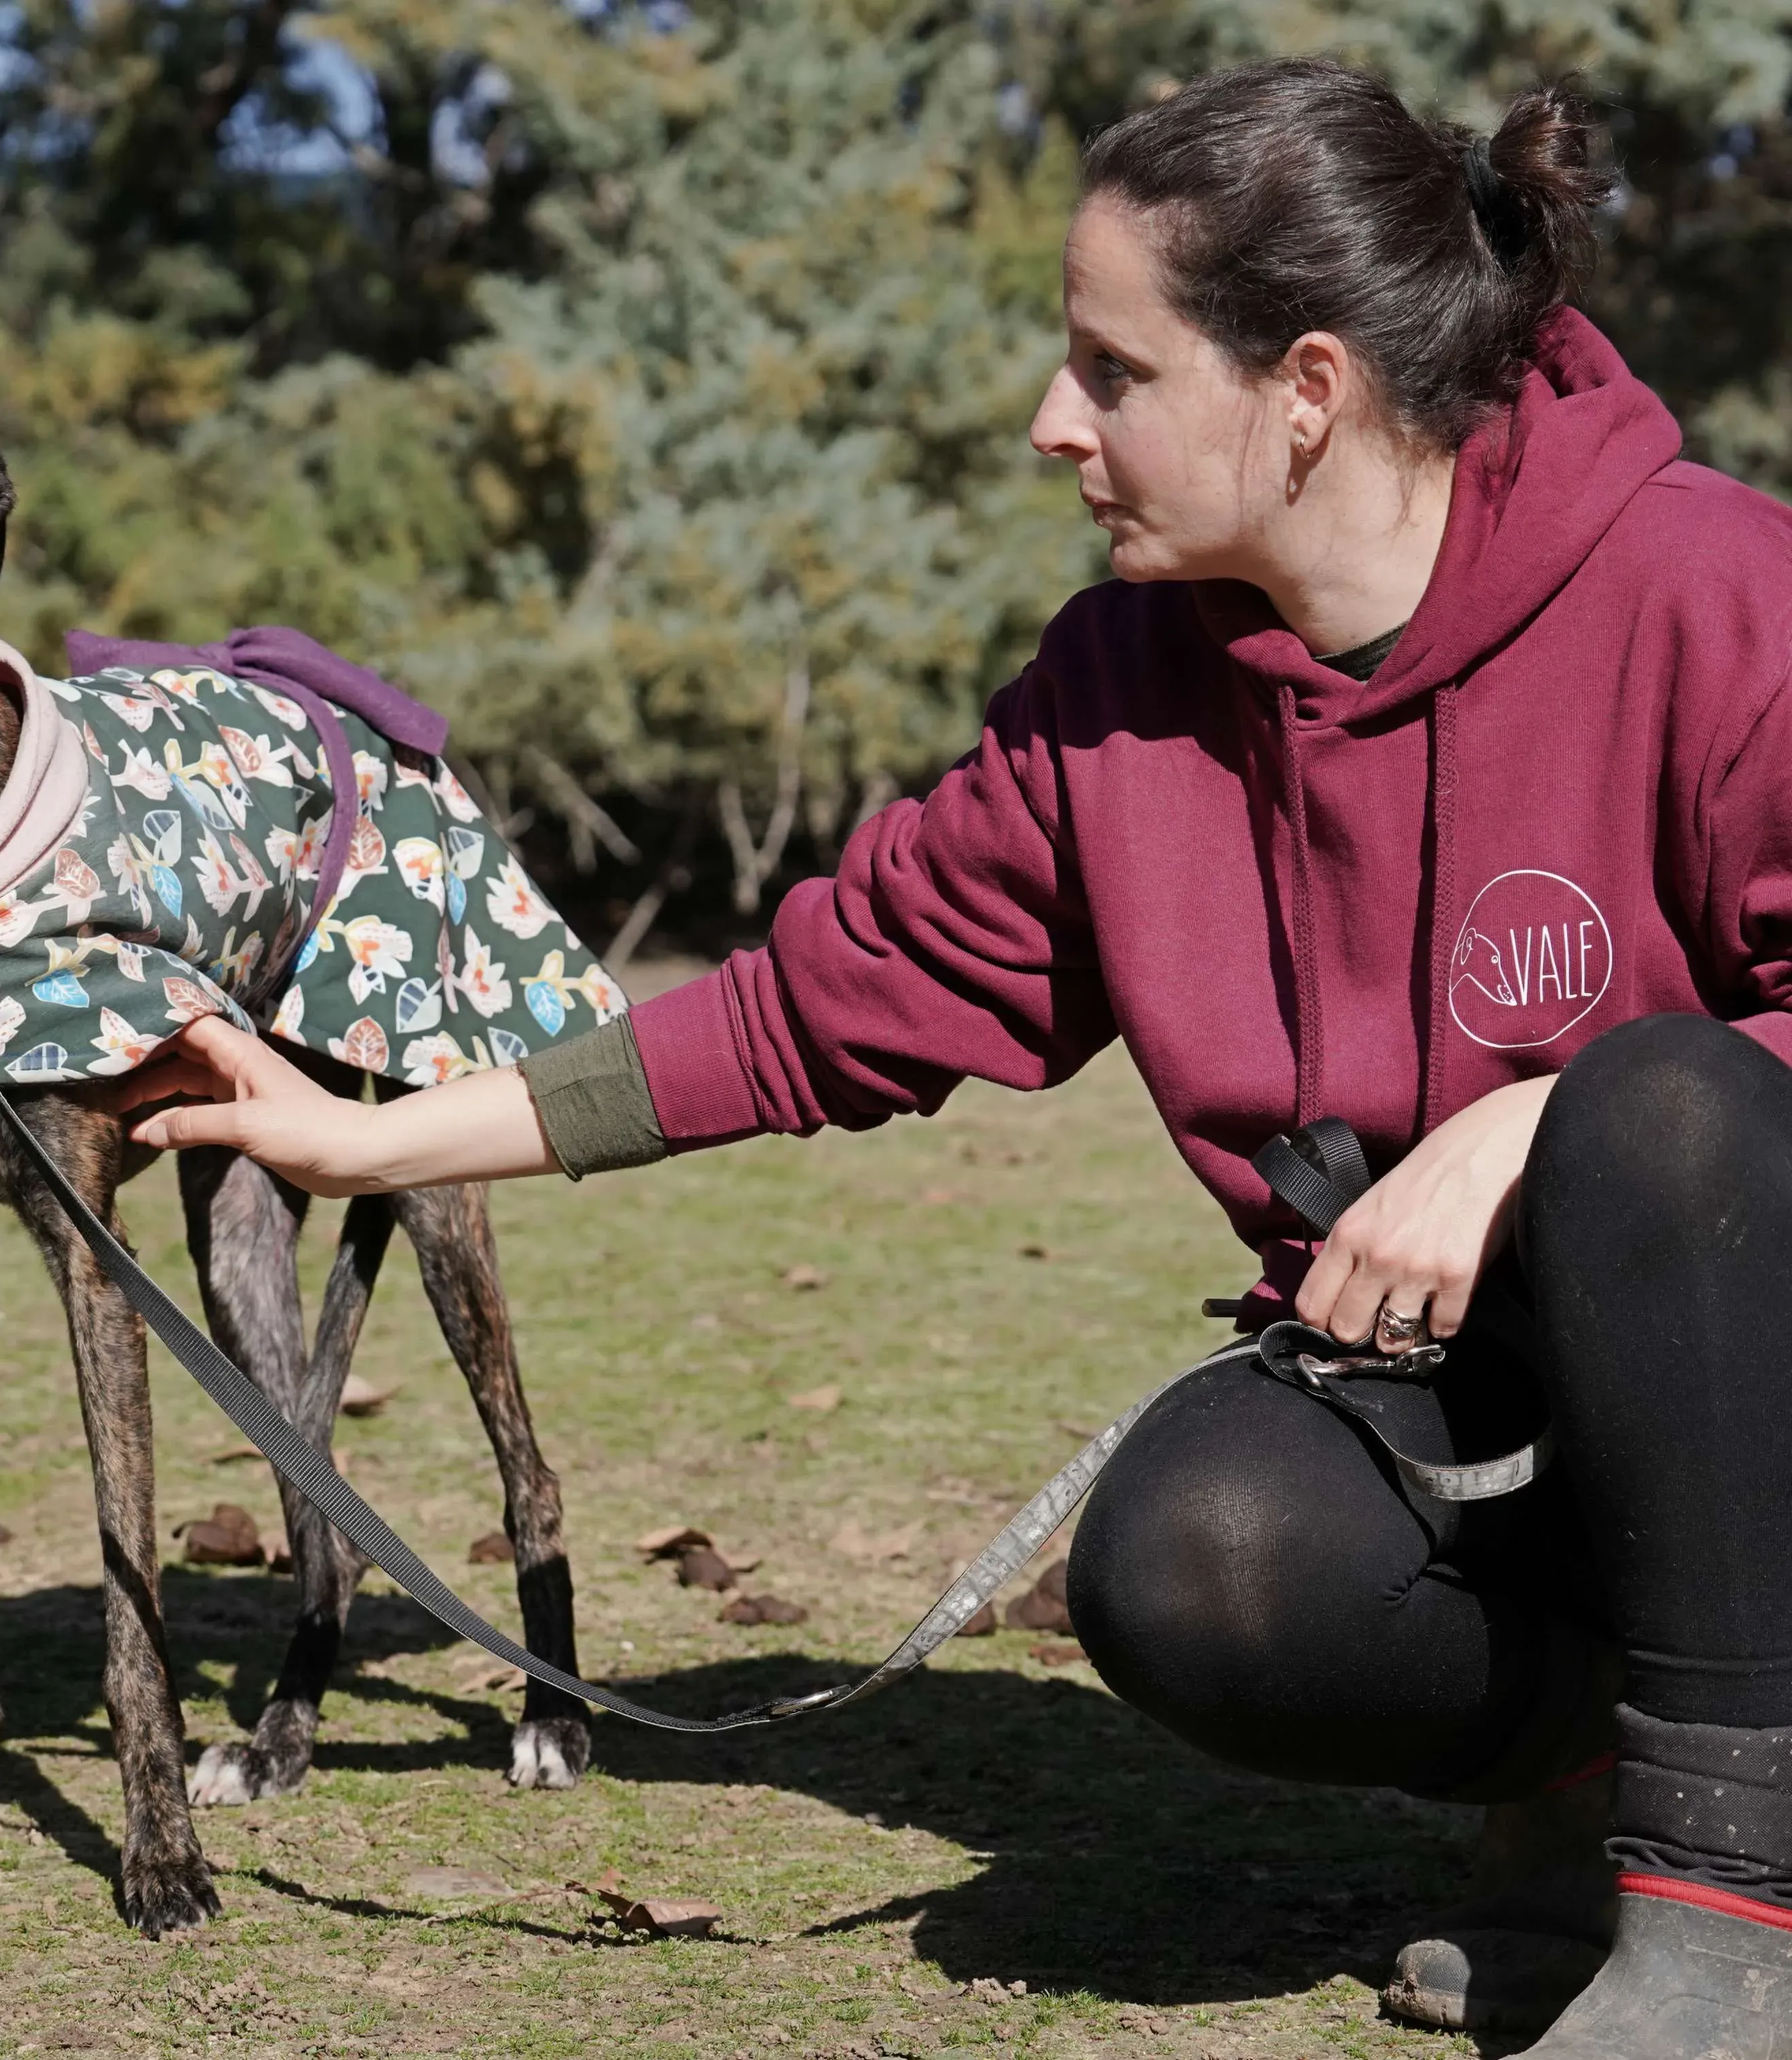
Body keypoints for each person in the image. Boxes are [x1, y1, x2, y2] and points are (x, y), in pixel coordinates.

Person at [108, 57, 1792, 2059]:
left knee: (1664, 1107)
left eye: (1114, 367)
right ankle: (1593, 1817)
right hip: (1495, 1418)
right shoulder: (1116, 699)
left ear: (1308, 390)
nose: (1050, 422)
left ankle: (1727, 1928)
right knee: (1199, 1561)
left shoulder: (1715, 590)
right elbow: (807, 1007)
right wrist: (362, 1136)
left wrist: (1533, 1116)